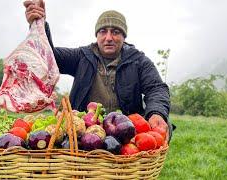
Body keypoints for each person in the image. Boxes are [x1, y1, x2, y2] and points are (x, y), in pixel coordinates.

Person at [24, 0, 174, 141]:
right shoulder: (82, 57)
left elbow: (156, 88)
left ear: (124, 36)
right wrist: (40, 25)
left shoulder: (139, 61)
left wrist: (156, 113)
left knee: (163, 122)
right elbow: (50, 57)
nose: (108, 37)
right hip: (85, 131)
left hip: (126, 132)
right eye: (103, 31)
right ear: (97, 35)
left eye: (115, 32)